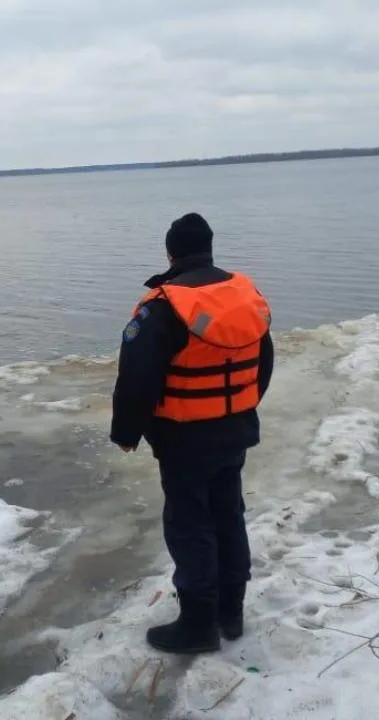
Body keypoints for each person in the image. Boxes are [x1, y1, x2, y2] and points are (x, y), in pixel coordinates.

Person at [110, 212, 275, 654]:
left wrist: (126, 433)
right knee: (227, 514)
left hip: (184, 439)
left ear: (170, 253)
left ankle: (198, 625)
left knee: (189, 524)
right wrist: (240, 408)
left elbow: (136, 379)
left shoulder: (163, 307)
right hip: (235, 430)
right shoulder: (245, 297)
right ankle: (231, 613)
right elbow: (263, 363)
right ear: (210, 247)